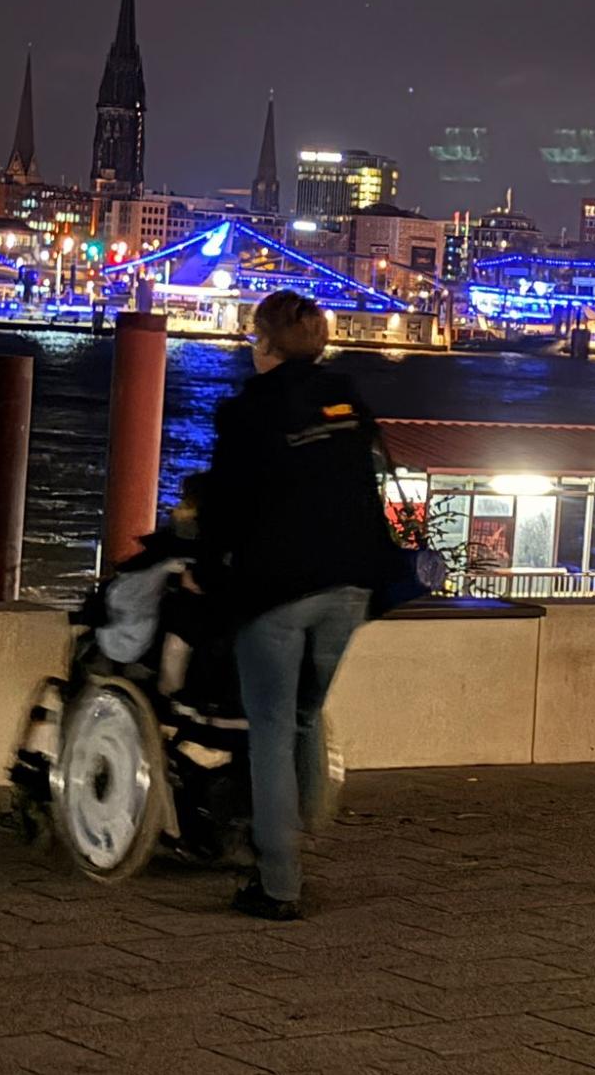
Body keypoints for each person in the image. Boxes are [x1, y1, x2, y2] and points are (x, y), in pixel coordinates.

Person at [198, 290, 393, 919]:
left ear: (265, 345)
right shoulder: (347, 397)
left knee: (272, 731)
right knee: (307, 715)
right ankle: (303, 830)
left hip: (278, 589)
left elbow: (223, 506)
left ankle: (279, 882)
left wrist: (207, 571)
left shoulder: (249, 408)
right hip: (352, 585)